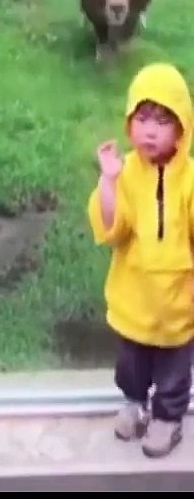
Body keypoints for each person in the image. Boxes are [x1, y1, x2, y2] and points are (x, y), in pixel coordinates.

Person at [87, 61, 194, 459]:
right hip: (135, 301)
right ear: (129, 123)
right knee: (131, 365)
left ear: (183, 128)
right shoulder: (127, 173)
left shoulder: (190, 180)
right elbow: (112, 228)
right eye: (143, 118)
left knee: (173, 373)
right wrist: (109, 182)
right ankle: (133, 402)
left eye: (164, 120)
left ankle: (167, 418)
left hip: (177, 305)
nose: (150, 129)